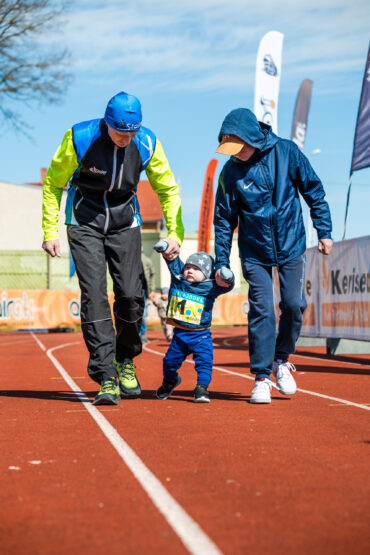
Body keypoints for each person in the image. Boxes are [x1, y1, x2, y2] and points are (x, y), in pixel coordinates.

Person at [42, 91, 184, 406]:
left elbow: (168, 188)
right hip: (84, 220)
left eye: (130, 132)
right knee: (94, 295)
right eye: (119, 132)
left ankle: (126, 359)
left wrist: (175, 233)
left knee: (132, 295)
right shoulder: (80, 138)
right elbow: (53, 184)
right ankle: (106, 376)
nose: (124, 138)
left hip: (125, 222)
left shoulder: (147, 143)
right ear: (106, 123)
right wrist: (50, 230)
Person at [213, 108, 333, 404]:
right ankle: (262, 377)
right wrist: (221, 261)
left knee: (293, 304)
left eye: (237, 147)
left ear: (251, 138)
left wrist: (324, 230)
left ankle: (281, 361)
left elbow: (314, 191)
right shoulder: (230, 172)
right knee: (263, 310)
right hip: (254, 251)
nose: (234, 154)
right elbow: (224, 220)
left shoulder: (287, 152)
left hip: (291, 243)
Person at [154, 246, 234, 403]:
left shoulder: (211, 286)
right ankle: (170, 381)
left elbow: (226, 284)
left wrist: (228, 277)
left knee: (204, 363)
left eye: (196, 269)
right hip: (179, 335)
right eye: (188, 267)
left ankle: (201, 388)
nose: (190, 270)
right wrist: (165, 248)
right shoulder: (178, 279)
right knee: (169, 362)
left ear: (206, 274)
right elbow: (173, 261)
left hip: (201, 335)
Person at [140, 247, 156, 343]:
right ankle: (135, 334)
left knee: (143, 313)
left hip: (143, 290)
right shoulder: (130, 258)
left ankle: (142, 333)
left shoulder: (146, 260)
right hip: (132, 290)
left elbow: (152, 273)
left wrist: (152, 289)